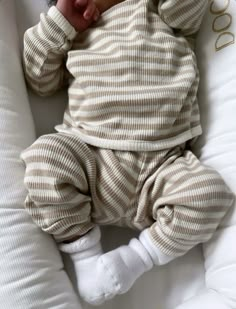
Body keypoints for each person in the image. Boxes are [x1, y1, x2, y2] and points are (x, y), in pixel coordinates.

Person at [21, 0, 234, 305]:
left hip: (163, 167)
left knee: (207, 194)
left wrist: (139, 256)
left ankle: (135, 259)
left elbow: (188, 10)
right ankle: (86, 257)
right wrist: (59, 23)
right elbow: (39, 80)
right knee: (45, 160)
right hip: (90, 157)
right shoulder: (74, 29)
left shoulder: (163, 13)